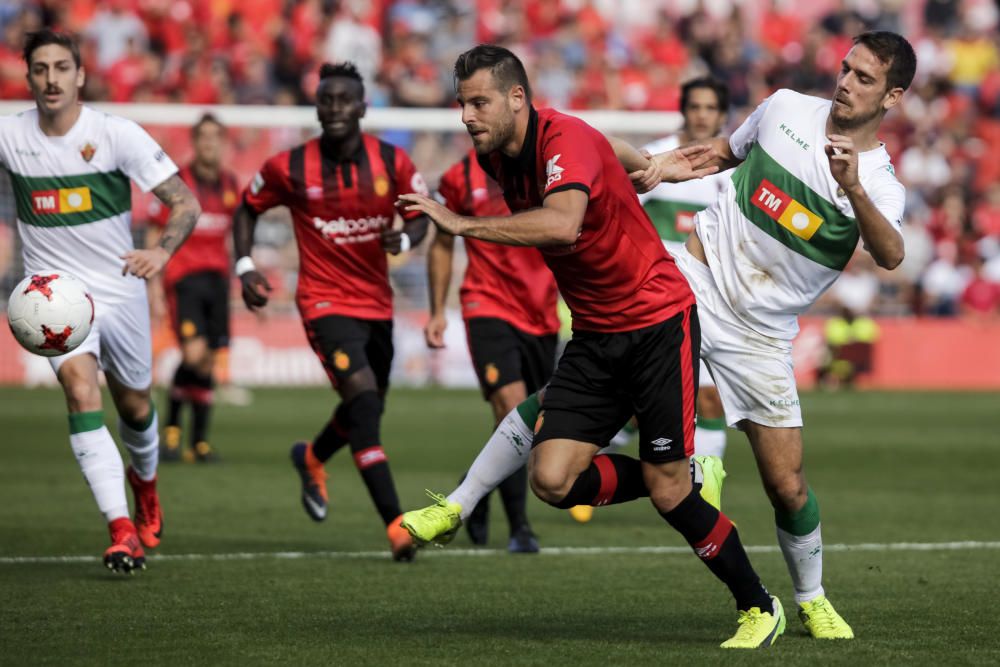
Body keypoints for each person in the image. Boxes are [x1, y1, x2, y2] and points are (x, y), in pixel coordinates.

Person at [399, 45, 783, 649]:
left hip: (658, 323)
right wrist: (650, 164)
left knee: (670, 496)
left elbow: (561, 224)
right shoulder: (503, 155)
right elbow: (605, 146)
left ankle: (760, 605)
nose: (467, 117)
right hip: (596, 332)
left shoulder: (562, 138)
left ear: (516, 98)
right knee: (551, 481)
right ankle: (670, 471)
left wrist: (462, 224)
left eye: (478, 103)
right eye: (462, 105)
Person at [651, 30, 916, 639]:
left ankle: (811, 597)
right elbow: (724, 151)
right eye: (846, 68)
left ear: (893, 96)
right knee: (599, 370)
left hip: (761, 334)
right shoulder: (786, 107)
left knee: (786, 484)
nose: (846, 83)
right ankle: (478, 487)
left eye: (865, 78)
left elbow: (892, 254)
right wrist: (665, 166)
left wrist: (849, 187)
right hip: (697, 276)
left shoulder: (877, 180)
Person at [0, 30, 200, 573]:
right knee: (80, 389)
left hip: (119, 289)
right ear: (29, 78)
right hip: (53, 297)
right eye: (40, 69)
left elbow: (185, 203)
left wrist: (159, 252)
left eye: (62, 67)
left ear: (80, 75)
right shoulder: (10, 135)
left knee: (135, 407)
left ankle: (147, 485)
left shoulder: (116, 135)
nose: (51, 79)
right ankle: (120, 530)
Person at [233, 62, 430, 562]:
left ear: (363, 107)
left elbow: (420, 217)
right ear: (316, 107)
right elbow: (247, 206)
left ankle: (313, 456)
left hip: (377, 305)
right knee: (365, 407)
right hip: (324, 303)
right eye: (327, 100)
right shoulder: (289, 166)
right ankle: (396, 524)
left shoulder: (391, 162)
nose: (336, 108)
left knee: (367, 404)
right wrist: (245, 266)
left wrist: (405, 237)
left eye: (345, 100)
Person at [427, 149, 560, 553]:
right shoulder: (458, 177)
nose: (475, 119)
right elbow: (443, 241)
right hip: (486, 304)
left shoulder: (550, 165)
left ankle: (477, 485)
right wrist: (436, 310)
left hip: (541, 311)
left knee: (527, 419)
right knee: (510, 403)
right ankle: (520, 527)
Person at [640, 77, 731, 465]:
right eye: (695, 106)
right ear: (683, 110)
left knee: (710, 400)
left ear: (722, 115)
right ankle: (584, 474)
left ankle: (705, 497)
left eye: (710, 108)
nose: (701, 115)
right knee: (635, 402)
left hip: (708, 300)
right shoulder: (654, 159)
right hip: (654, 298)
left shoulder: (734, 173)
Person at [147, 113, 239, 463]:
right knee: (193, 354)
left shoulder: (230, 183)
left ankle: (199, 442)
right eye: (204, 137)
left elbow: (233, 233)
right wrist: (154, 288)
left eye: (216, 137)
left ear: (223, 143)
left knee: (208, 362)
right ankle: (170, 430)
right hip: (184, 278)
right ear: (195, 142)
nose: (209, 144)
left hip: (217, 280)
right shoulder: (178, 183)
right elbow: (156, 231)